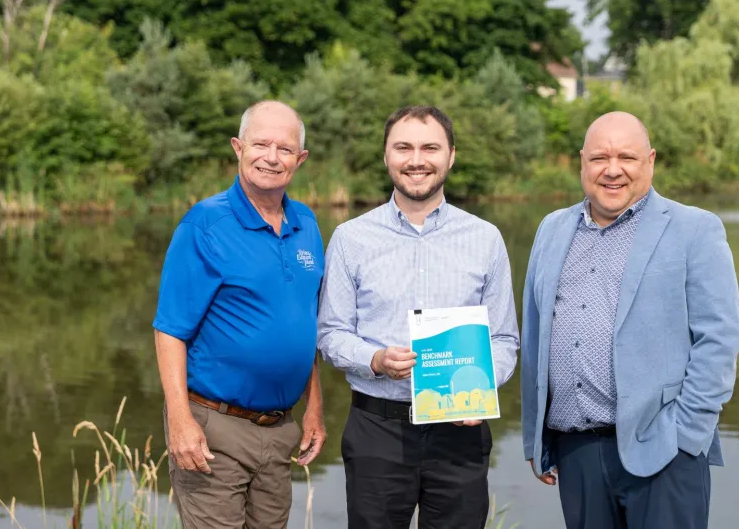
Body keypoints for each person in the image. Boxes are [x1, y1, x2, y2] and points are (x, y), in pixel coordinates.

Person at [520, 111, 739, 529]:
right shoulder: (551, 229)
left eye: (626, 157)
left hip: (664, 451)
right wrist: (536, 438)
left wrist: (685, 436)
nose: (612, 170)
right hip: (576, 452)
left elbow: (720, 338)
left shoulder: (695, 229)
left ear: (650, 161)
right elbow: (534, 337)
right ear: (582, 162)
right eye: (599, 158)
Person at [317, 105, 519, 529]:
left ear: (451, 156)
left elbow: (503, 340)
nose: (416, 160)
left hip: (459, 432)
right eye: (403, 147)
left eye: (430, 148)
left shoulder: (485, 239)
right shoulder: (351, 238)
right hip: (377, 430)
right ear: (386, 155)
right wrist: (375, 360)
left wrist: (482, 383)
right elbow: (331, 334)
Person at [152, 101, 326, 529]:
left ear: (300, 159)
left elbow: (305, 328)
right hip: (215, 428)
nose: (272, 157)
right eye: (260, 144)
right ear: (238, 147)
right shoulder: (205, 225)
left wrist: (315, 408)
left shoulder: (307, 224)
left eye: (285, 149)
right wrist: (180, 420)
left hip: (279, 430)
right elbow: (170, 330)